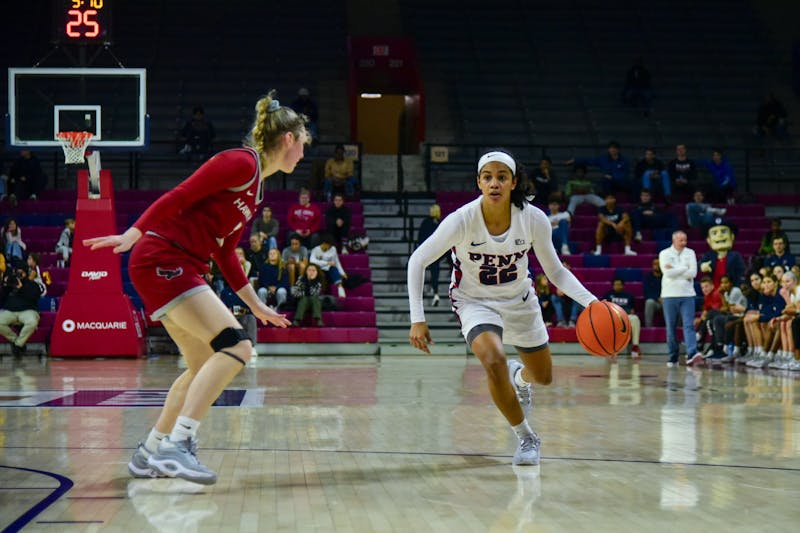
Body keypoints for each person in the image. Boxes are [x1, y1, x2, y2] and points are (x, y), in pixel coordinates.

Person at [83, 90, 300, 485]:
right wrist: (134, 232)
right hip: (165, 259)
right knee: (236, 347)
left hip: (178, 265)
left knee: (202, 364)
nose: (303, 153)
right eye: (303, 144)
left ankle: (150, 451)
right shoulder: (239, 162)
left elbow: (226, 253)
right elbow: (179, 194)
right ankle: (178, 445)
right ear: (289, 140)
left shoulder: (255, 190)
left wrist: (255, 305)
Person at [407, 149, 598, 466]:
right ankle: (526, 437)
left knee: (544, 377)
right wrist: (417, 318)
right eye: (487, 177)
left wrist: (592, 303)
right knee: (493, 360)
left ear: (513, 183)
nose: (494, 183)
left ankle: (520, 378)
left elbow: (556, 272)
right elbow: (418, 260)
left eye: (501, 177)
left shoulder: (534, 219)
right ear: (479, 183)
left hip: (520, 301)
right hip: (475, 301)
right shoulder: (462, 220)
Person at [659, 230, 700, 367]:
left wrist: (676, 269)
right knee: (671, 328)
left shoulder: (691, 253)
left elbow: (693, 272)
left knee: (688, 325)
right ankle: (673, 356)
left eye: (685, 240)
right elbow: (667, 273)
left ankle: (692, 353)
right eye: (681, 240)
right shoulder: (664, 254)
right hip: (669, 295)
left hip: (687, 294)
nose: (684, 243)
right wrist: (684, 268)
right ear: (674, 240)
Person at [0, 263, 44, 356]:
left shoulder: (33, 284)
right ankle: (17, 340)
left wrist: (21, 288)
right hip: (10, 311)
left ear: (26, 273)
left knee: (32, 322)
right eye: (17, 273)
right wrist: (4, 285)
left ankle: (18, 345)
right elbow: (2, 298)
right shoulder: (10, 284)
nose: (19, 276)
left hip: (28, 311)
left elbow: (34, 297)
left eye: (21, 273)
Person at [565, 141, 631, 198]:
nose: (612, 150)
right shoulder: (603, 159)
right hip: (609, 182)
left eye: (614, 148)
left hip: (620, 182)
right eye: (611, 148)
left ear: (618, 150)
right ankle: (608, 201)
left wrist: (613, 177)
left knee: (633, 183)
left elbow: (625, 174)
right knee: (605, 181)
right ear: (608, 149)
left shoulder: (624, 161)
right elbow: (589, 161)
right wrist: (575, 160)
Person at [602, 278, 641, 358]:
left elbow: (633, 310)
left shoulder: (629, 295)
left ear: (623, 286)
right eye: (616, 285)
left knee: (634, 318)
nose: (618, 286)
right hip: (613, 317)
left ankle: (635, 347)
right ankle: (613, 348)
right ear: (613, 286)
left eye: (619, 285)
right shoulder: (608, 295)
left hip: (626, 316)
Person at [417, 203, 446, 306]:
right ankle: (436, 293)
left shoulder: (426, 222)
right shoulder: (441, 223)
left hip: (426, 251)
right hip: (437, 252)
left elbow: (420, 238)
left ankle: (421, 291)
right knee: (435, 273)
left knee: (422, 270)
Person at [694, 276, 724, 361]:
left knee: (710, 315)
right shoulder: (706, 296)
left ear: (712, 286)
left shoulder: (716, 294)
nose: (704, 289)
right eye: (702, 287)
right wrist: (700, 318)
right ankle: (700, 346)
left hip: (722, 315)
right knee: (704, 319)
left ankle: (699, 336)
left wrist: (704, 317)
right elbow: (705, 311)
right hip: (713, 316)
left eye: (706, 286)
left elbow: (716, 310)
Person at [309, 233, 347, 298]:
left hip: (329, 269)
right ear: (324, 243)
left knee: (334, 269)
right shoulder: (315, 250)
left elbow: (337, 262)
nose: (329, 247)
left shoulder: (333, 249)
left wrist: (342, 272)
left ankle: (340, 288)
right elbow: (312, 261)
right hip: (319, 269)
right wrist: (326, 263)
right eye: (328, 245)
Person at [291, 262, 324, 326]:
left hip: (314, 302)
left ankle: (318, 320)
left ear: (317, 272)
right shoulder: (301, 279)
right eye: (309, 270)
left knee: (314, 298)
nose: (311, 272)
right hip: (301, 301)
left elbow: (315, 293)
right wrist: (307, 281)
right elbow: (295, 293)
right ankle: (297, 320)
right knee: (304, 299)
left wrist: (311, 281)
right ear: (306, 271)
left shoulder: (319, 282)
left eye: (313, 270)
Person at [643, 258, 663, 328]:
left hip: (666, 301)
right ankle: (648, 328)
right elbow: (647, 293)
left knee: (676, 302)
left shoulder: (666, 277)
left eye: (659, 264)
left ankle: (675, 328)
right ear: (652, 265)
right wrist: (657, 298)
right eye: (655, 264)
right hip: (655, 302)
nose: (657, 266)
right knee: (649, 302)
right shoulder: (648, 278)